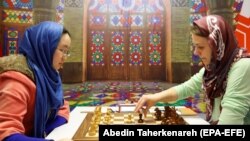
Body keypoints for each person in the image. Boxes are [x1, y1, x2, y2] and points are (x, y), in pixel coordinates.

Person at [134, 15, 250, 125]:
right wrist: (154, 98)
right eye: (195, 46)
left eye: (200, 47)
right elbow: (187, 88)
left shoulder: (242, 67)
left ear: (217, 45)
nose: (195, 52)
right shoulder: (215, 68)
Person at [0, 21, 72, 140]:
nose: (65, 57)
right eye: (62, 50)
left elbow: (62, 106)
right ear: (45, 46)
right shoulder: (17, 82)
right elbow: (6, 134)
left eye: (67, 52)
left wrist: (47, 131)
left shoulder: (49, 75)